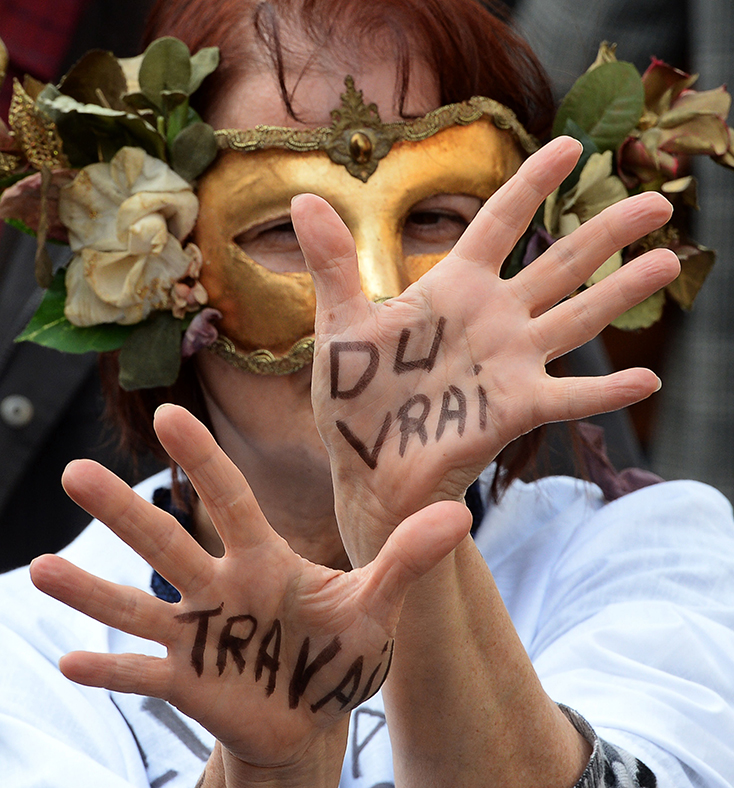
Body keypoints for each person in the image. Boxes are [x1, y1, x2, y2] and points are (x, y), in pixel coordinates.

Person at [1, 1, 733, 786]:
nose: (377, 308)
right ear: (157, 278)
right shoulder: (38, 645)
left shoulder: (645, 558)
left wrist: (406, 528)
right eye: (282, 229)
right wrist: (267, 770)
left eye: (433, 217)